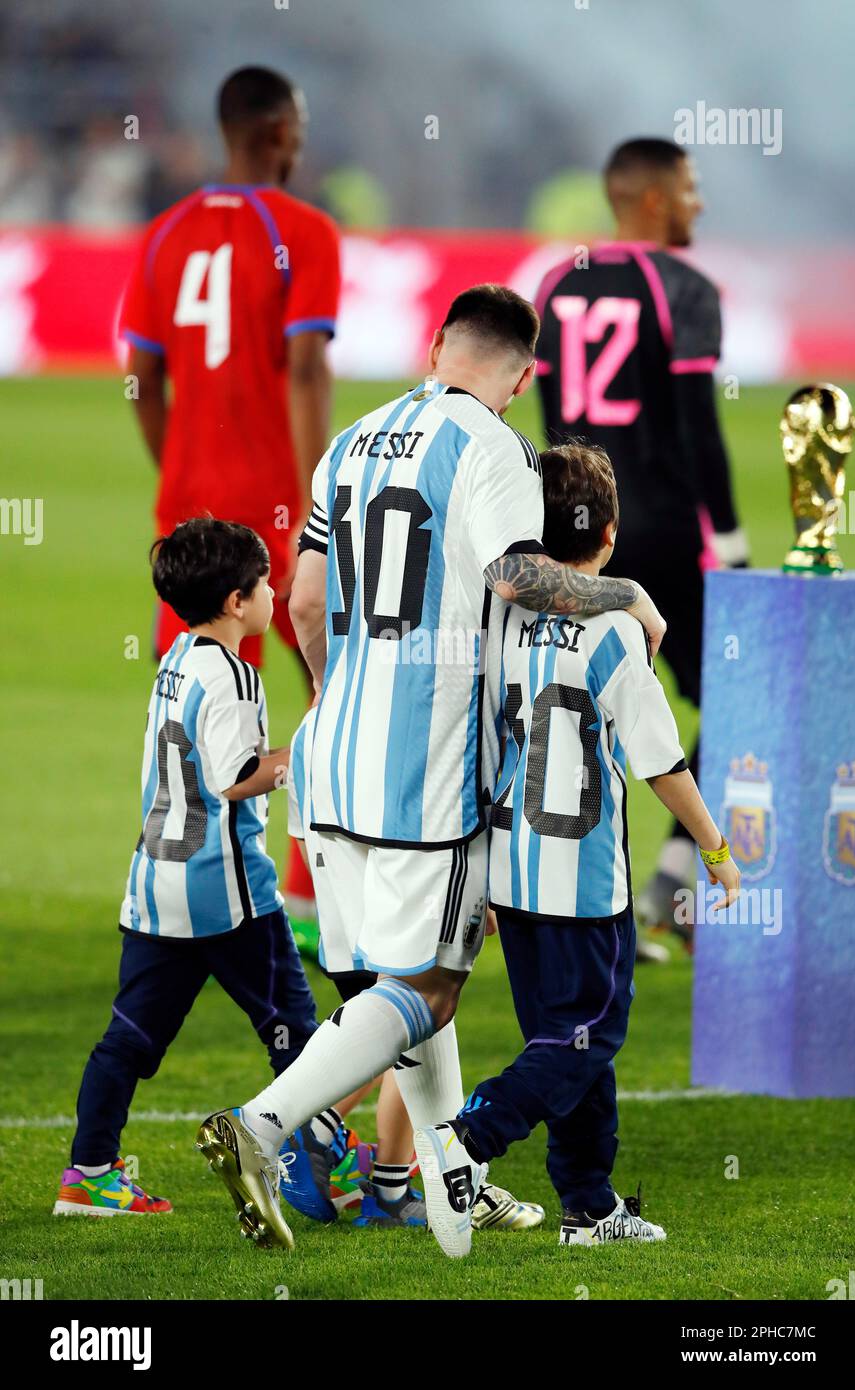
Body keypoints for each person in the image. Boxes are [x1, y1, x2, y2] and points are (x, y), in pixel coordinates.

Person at [196, 283, 666, 1251]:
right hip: (422, 766)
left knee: (399, 978)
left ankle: (427, 1189)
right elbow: (517, 575)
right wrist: (627, 591)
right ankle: (272, 1124)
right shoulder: (488, 445)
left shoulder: (352, 441)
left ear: (437, 341)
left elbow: (301, 598)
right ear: (522, 373)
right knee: (432, 985)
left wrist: (339, 695)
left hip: (329, 754)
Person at [415, 442, 741, 1258]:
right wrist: (716, 850)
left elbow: (482, 746)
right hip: (585, 886)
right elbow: (663, 761)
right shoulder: (616, 634)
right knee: (582, 1040)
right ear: (610, 532)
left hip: (515, 875)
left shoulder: (506, 622)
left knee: (572, 1046)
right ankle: (463, 1141)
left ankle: (589, 1208)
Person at [120, 64, 339, 923]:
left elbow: (139, 375)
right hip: (280, 518)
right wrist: (321, 504)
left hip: (192, 513)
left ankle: (188, 902)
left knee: (190, 709)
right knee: (337, 687)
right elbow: (309, 364)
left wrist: (174, 470)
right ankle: (310, 888)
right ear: (283, 131)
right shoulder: (305, 230)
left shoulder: (164, 233)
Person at [53, 519, 319, 1220]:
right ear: (237, 601)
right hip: (226, 890)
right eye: (265, 583)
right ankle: (328, 1168)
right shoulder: (233, 675)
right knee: (294, 1028)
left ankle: (89, 1175)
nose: (275, 591)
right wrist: (308, 758)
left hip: (156, 885)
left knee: (131, 1037)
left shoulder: (176, 657)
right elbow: (235, 777)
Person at [533, 138, 747, 953]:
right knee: (733, 692)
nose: (698, 203)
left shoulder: (557, 281)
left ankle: (583, 904)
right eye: (690, 189)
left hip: (579, 535)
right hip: (661, 532)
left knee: (583, 712)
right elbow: (698, 424)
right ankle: (671, 879)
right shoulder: (683, 286)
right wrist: (727, 539)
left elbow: (554, 422)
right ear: (653, 198)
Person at [284, 709, 545, 1232]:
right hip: (397, 776)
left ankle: (387, 1177)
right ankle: (315, 1127)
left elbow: (313, 621)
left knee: (401, 996)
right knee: (418, 996)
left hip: (333, 757)